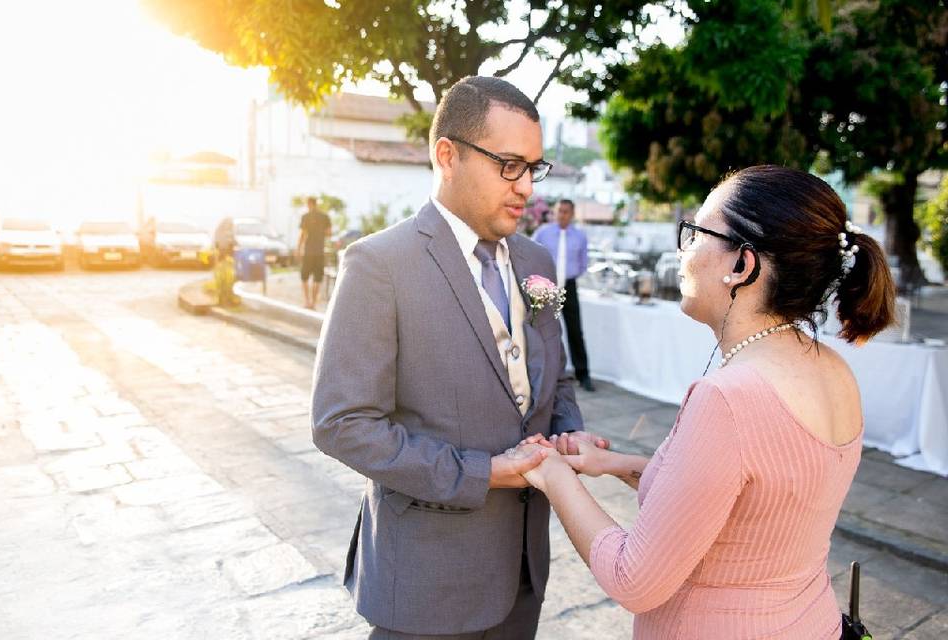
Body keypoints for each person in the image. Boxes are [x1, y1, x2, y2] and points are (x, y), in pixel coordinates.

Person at [514, 165, 896, 639]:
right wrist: (614, 463)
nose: (684, 249)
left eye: (695, 233)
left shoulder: (728, 399)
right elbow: (748, 501)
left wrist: (552, 474)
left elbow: (634, 579)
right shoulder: (833, 369)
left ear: (741, 265)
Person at [310, 76, 607, 639]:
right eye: (508, 165)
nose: (526, 188)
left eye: (534, 168)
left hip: (522, 570)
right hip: (428, 579)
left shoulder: (536, 255)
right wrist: (482, 474)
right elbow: (342, 423)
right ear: (448, 155)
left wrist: (569, 433)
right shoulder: (379, 265)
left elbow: (555, 377)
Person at [533, 199, 594, 391]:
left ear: (572, 214)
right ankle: (542, 374)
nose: (562, 215)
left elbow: (583, 263)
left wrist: (569, 277)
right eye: (559, 211)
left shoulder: (580, 236)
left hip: (569, 286)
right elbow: (530, 253)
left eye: (566, 211)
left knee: (575, 331)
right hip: (546, 286)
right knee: (543, 330)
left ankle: (583, 374)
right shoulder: (543, 233)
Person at [298, 196, 331, 309]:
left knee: (304, 277)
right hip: (319, 251)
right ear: (316, 204)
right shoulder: (325, 217)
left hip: (308, 251)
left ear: (309, 204)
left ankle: (307, 301)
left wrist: (298, 248)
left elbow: (303, 234)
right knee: (318, 278)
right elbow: (328, 233)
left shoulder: (305, 217)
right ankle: (313, 303)